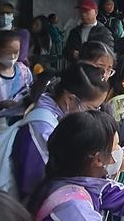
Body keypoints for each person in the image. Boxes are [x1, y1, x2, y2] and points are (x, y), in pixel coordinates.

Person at [11, 63, 110, 201]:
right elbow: (32, 186)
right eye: (91, 108)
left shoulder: (59, 115)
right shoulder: (42, 128)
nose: (94, 115)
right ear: (70, 99)